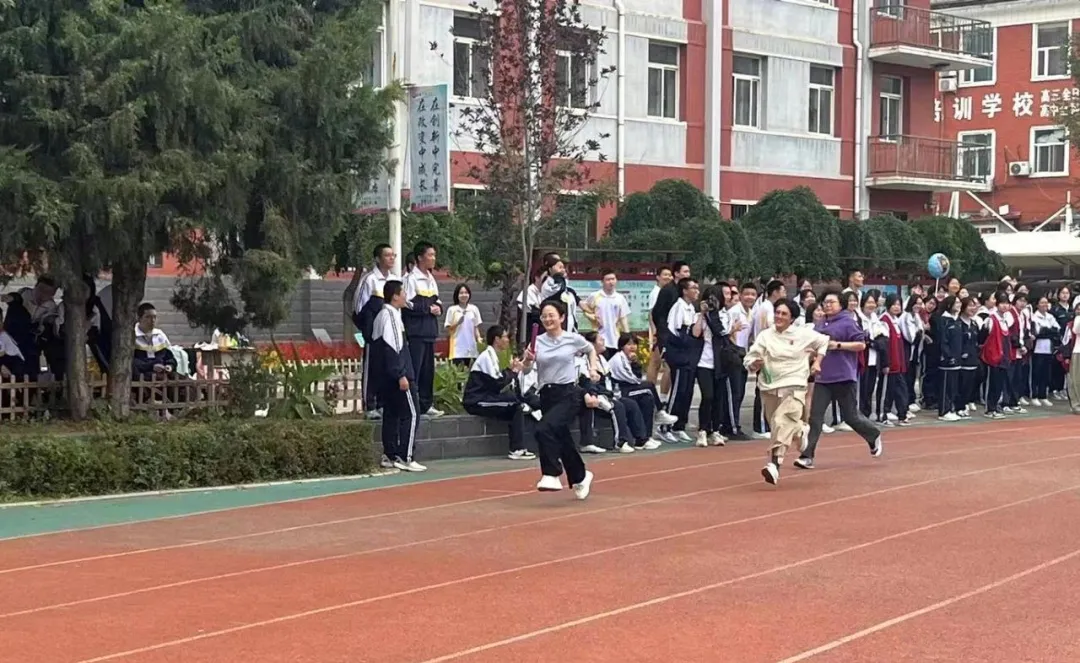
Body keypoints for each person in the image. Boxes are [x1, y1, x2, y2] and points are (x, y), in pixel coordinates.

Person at [744, 299, 829, 485]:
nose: (779, 317)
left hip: (795, 384)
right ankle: (800, 431)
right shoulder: (766, 335)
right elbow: (751, 357)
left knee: (780, 421)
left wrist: (817, 362)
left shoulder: (802, 334)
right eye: (777, 313)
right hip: (770, 387)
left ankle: (774, 464)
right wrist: (754, 363)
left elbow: (824, 341)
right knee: (777, 425)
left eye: (784, 314)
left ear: (792, 318)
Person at [523, 300, 602, 498]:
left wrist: (593, 369)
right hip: (547, 394)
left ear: (562, 317)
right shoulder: (537, 341)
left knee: (543, 428)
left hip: (568, 393)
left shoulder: (572, 339)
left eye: (552, 315)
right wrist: (527, 360)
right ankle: (581, 476)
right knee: (561, 438)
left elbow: (590, 349)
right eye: (544, 316)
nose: (548, 319)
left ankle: (551, 473)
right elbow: (526, 369)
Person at [796, 291, 882, 470]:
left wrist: (838, 345)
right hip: (823, 378)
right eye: (825, 302)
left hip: (844, 377)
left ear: (841, 304)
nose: (827, 305)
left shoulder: (848, 322)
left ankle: (873, 434)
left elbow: (861, 345)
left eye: (831, 302)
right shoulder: (820, 324)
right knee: (815, 417)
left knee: (850, 417)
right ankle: (807, 455)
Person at [371, 279, 427, 472]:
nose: (406, 296)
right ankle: (406, 456)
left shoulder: (383, 315)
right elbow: (394, 347)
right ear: (395, 296)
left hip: (386, 377)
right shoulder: (391, 316)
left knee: (392, 414)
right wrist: (401, 374)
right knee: (412, 413)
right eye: (403, 293)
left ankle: (390, 454)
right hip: (398, 376)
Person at [462, 325, 536, 461]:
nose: (508, 340)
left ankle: (517, 447)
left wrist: (511, 370)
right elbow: (498, 383)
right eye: (505, 337)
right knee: (516, 406)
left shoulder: (492, 356)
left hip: (487, 397)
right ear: (497, 339)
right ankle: (517, 449)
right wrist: (513, 371)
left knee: (515, 403)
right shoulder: (487, 356)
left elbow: (498, 380)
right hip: (477, 401)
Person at [353, 243, 398, 419]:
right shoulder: (370, 280)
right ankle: (369, 405)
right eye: (387, 255)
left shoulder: (395, 280)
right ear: (378, 259)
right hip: (373, 333)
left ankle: (382, 403)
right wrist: (367, 329)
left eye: (393, 255)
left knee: (387, 368)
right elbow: (358, 307)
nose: (391, 258)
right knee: (372, 368)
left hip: (390, 333)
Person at [609, 332, 674, 448]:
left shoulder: (631, 358)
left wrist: (635, 363)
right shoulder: (619, 359)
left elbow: (637, 377)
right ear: (622, 346)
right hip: (620, 391)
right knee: (649, 386)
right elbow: (632, 379)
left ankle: (645, 438)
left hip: (630, 387)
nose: (632, 347)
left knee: (647, 398)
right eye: (629, 344)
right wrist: (636, 371)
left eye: (634, 344)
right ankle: (660, 412)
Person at [403, 242, 444, 417]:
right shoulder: (411, 279)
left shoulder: (431, 278)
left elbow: (437, 300)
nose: (433, 258)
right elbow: (407, 305)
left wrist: (438, 308)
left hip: (429, 332)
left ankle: (426, 405)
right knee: (415, 370)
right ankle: (412, 405)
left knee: (428, 371)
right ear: (420, 257)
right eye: (430, 255)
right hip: (416, 332)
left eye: (434, 255)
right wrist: (427, 309)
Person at [664, 277, 703, 443]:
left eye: (697, 288)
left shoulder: (692, 308)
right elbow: (673, 331)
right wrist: (686, 342)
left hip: (689, 355)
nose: (696, 291)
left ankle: (679, 426)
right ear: (685, 291)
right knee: (678, 391)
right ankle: (665, 426)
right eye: (693, 288)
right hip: (680, 354)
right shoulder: (678, 306)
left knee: (687, 391)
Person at [581, 270, 631, 360]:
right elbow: (585, 309)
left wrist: (627, 335)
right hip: (599, 338)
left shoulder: (620, 298)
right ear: (602, 282)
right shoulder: (595, 296)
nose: (611, 282)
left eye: (613, 279)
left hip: (615, 339)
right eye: (608, 280)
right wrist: (591, 316)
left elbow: (623, 318)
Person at [878, 294, 910, 426]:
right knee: (887, 390)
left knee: (900, 389)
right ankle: (883, 415)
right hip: (890, 364)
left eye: (899, 304)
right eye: (894, 304)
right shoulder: (884, 320)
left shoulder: (896, 320)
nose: (897, 307)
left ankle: (902, 414)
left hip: (898, 364)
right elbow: (884, 344)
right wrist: (886, 363)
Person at [936, 295, 963, 422]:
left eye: (959, 302)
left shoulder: (957, 320)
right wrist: (948, 355)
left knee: (953, 386)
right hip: (947, 360)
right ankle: (943, 411)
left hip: (957, 358)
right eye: (956, 302)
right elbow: (943, 341)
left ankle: (951, 408)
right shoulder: (944, 320)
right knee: (946, 386)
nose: (959, 304)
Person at [1030, 295, 1060, 407]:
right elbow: (1038, 332)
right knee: (1036, 373)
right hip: (1037, 349)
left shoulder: (1050, 317)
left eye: (1046, 302)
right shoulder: (1034, 317)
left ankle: (1043, 396)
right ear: (1037, 305)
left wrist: (1047, 331)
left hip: (1048, 349)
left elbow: (1056, 329)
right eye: (1042, 302)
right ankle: (1034, 396)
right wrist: (1047, 332)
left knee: (1046, 374)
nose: (1045, 305)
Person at [444, 283, 482, 367]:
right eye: (461, 293)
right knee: (458, 372)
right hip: (457, 350)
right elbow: (448, 329)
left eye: (466, 293)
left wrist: (479, 338)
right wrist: (457, 323)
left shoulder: (474, 309)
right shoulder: (452, 310)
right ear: (457, 295)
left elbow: (476, 327)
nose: (464, 295)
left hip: (472, 349)